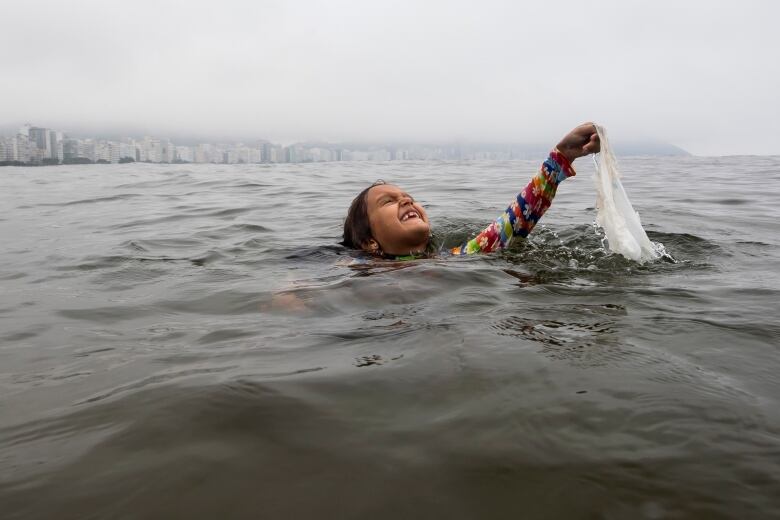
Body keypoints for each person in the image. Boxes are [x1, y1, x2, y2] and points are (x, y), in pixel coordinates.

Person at [342, 123, 601, 259]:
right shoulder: (356, 273)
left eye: (408, 197)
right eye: (388, 201)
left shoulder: (454, 258)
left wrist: (560, 159)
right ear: (369, 242)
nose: (406, 200)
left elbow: (511, 223)